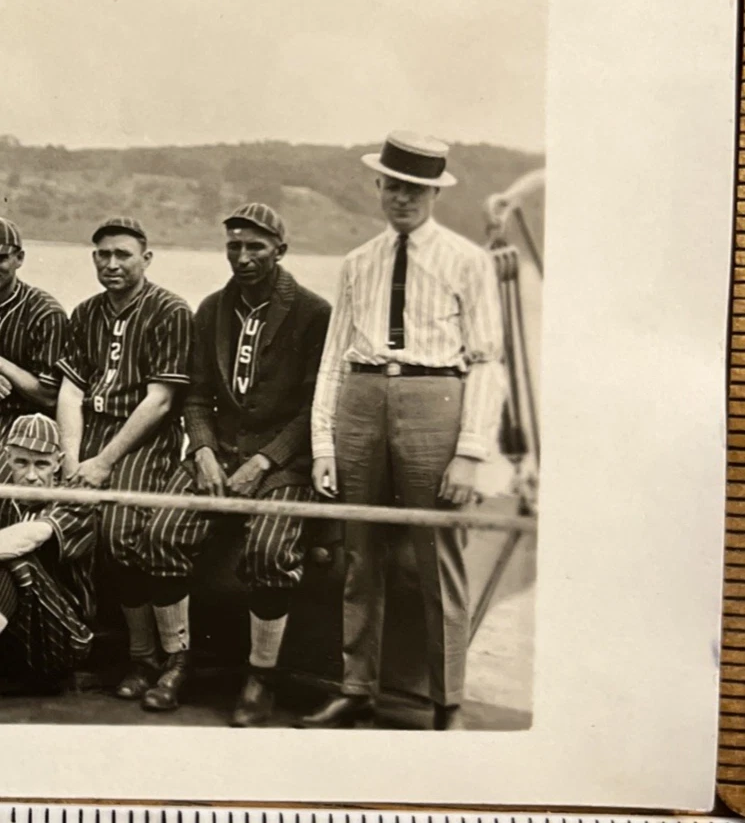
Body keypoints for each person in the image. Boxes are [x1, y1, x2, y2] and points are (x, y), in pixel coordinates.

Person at [303, 131, 506, 731]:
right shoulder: (357, 262)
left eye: (416, 188)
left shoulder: (467, 261)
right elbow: (334, 356)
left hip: (434, 399)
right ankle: (356, 688)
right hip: (361, 402)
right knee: (359, 555)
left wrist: (470, 451)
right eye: (393, 185)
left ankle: (448, 704)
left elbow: (489, 360)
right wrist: (323, 444)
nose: (403, 197)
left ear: (434, 194)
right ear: (378, 187)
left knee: (436, 560)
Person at [165, 202, 332, 725]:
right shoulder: (212, 308)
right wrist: (204, 451)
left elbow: (315, 408)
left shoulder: (313, 312)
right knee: (160, 532)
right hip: (220, 455)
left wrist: (264, 460)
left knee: (268, 550)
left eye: (255, 246)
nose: (242, 256)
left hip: (284, 463)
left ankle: (262, 676)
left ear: (280, 250)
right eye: (234, 246)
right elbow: (195, 396)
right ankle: (176, 660)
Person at [55, 217, 198, 710]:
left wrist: (103, 461)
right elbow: (72, 390)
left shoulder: (170, 311)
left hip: (143, 439)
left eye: (123, 255)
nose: (111, 264)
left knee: (120, 528)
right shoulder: (85, 312)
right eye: (102, 255)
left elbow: (160, 401)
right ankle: (138, 656)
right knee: (63, 520)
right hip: (88, 436)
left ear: (146, 258)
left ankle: (175, 658)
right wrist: (71, 458)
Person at [0, 413, 95, 690]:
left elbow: (26, 539)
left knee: (16, 561)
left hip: (64, 638)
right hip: (16, 633)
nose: (31, 476)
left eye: (42, 464)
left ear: (59, 463)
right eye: (22, 462)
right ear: (7, 458)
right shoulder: (6, 495)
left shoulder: (74, 502)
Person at [0, 218, 67, 448]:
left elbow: (49, 397)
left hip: (26, 424)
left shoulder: (46, 313)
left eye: (1, 258)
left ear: (19, 259)